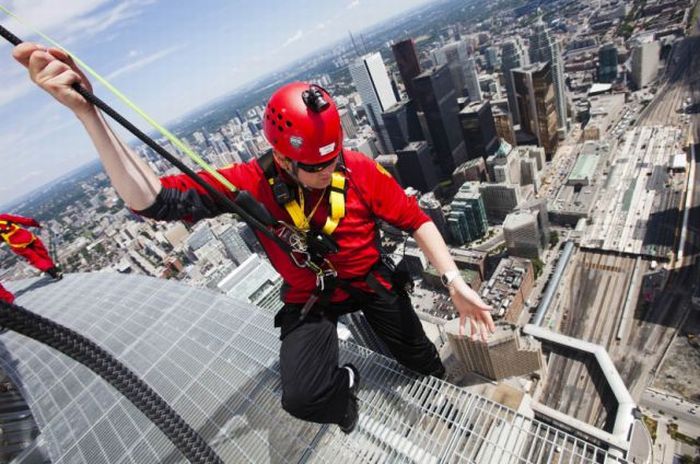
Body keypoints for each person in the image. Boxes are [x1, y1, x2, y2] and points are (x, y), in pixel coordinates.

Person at [13, 43, 496, 433]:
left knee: (422, 360)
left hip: (371, 280)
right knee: (303, 399)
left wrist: (453, 280)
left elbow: (416, 220)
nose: (329, 172)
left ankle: (449, 416)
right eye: (315, 166)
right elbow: (153, 201)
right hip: (313, 298)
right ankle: (345, 388)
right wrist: (89, 115)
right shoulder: (249, 184)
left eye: (334, 159)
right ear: (283, 158)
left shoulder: (360, 171)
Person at [0, 213, 62, 280]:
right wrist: (37, 225)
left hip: (17, 245)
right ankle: (54, 268)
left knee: (35, 259)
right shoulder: (3, 217)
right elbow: (24, 220)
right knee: (42, 253)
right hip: (27, 237)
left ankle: (52, 272)